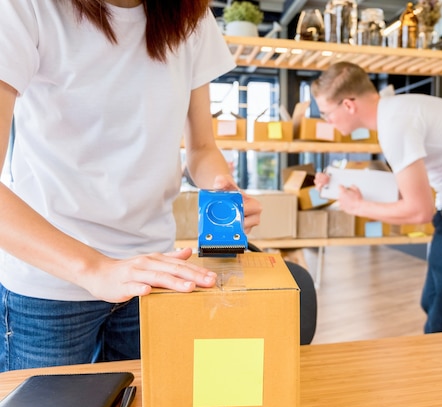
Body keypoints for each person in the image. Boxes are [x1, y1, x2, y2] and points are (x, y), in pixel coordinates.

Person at [0, 0, 261, 371]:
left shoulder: (190, 15)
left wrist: (222, 190)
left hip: (153, 272)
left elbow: (203, 148)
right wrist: (97, 269)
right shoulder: (25, 7)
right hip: (52, 282)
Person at [312, 61, 442, 333]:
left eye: (326, 113)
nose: (328, 121)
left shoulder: (395, 124)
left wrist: (358, 206)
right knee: (434, 302)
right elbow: (404, 188)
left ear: (348, 105)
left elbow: (419, 211)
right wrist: (337, 184)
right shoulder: (397, 111)